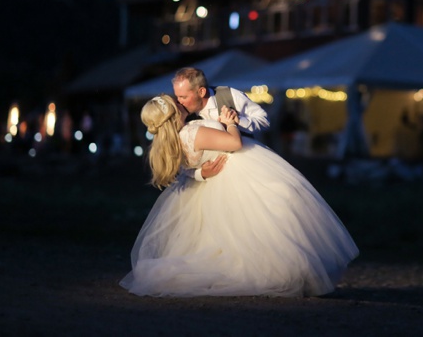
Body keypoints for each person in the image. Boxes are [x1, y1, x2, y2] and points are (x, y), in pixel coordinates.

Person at [120, 95, 359, 297]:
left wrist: (200, 173)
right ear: (173, 116)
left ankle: (292, 271)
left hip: (218, 183)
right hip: (238, 174)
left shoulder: (173, 143)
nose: (181, 104)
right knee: (273, 213)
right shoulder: (193, 132)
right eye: (177, 104)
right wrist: (229, 122)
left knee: (247, 229)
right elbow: (233, 143)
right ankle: (284, 272)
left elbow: (184, 171)